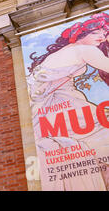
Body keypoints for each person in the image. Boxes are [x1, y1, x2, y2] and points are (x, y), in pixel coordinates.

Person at [26, 12, 109, 190]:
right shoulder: (85, 50)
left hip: (48, 104)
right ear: (80, 34)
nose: (102, 36)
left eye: (104, 32)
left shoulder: (66, 51)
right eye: (95, 32)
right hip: (56, 102)